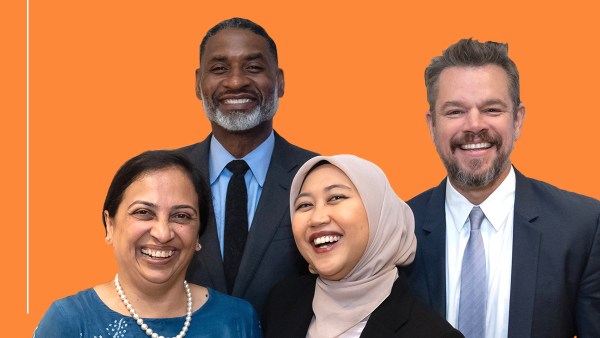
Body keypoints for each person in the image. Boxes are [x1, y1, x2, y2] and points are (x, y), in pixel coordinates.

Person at [406, 38, 600, 338]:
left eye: (492, 109)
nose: (474, 125)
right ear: (432, 126)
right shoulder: (399, 228)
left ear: (518, 120)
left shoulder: (583, 227)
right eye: (455, 112)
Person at [34, 150, 262, 337]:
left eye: (181, 216)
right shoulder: (69, 321)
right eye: (143, 212)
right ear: (110, 224)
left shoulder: (237, 320)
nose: (163, 233)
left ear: (199, 236)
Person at [180, 17, 317, 315]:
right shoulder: (167, 175)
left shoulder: (318, 175)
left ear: (279, 81)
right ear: (197, 83)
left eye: (253, 67)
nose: (236, 81)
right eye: (219, 69)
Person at [262, 155, 464, 338]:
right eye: (304, 205)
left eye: (335, 198)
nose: (317, 218)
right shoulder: (281, 304)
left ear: (379, 215)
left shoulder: (432, 334)